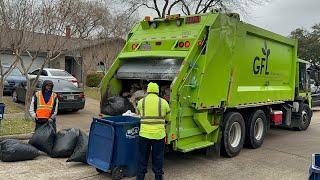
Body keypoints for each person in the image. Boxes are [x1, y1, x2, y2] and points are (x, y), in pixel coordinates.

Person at [136, 82, 171, 180]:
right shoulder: (163, 102)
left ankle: (140, 177)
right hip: (158, 135)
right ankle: (158, 177)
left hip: (144, 135)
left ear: (147, 91)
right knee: (158, 157)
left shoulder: (141, 102)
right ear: (157, 91)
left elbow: (138, 114)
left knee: (142, 157)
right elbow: (168, 117)